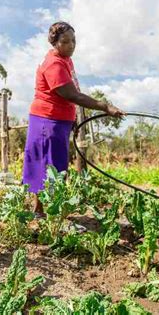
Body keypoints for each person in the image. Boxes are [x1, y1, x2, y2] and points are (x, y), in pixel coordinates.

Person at [23, 21, 125, 216]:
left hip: (58, 121)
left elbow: (71, 96)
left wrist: (72, 120)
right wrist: (105, 106)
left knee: (56, 165)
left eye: (73, 40)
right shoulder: (53, 64)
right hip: (47, 121)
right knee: (48, 167)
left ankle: (47, 211)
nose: (71, 45)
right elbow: (73, 95)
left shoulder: (66, 59)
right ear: (55, 43)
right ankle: (43, 212)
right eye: (65, 41)